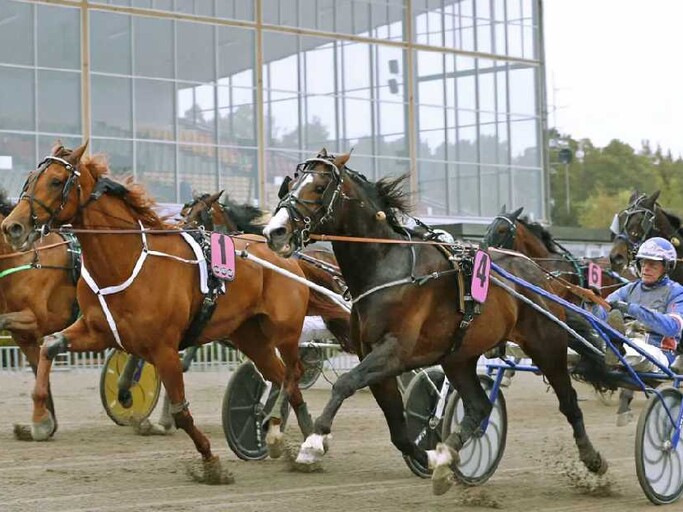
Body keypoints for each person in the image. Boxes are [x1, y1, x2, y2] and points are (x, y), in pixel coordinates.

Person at [592, 237, 683, 426]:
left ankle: (615, 351)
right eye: (643, 263)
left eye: (653, 264)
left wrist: (632, 309)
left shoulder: (676, 292)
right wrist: (592, 304)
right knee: (583, 344)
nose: (646, 268)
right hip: (625, 343)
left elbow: (673, 327)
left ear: (666, 267)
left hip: (658, 353)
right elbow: (602, 313)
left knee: (632, 349)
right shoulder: (629, 289)